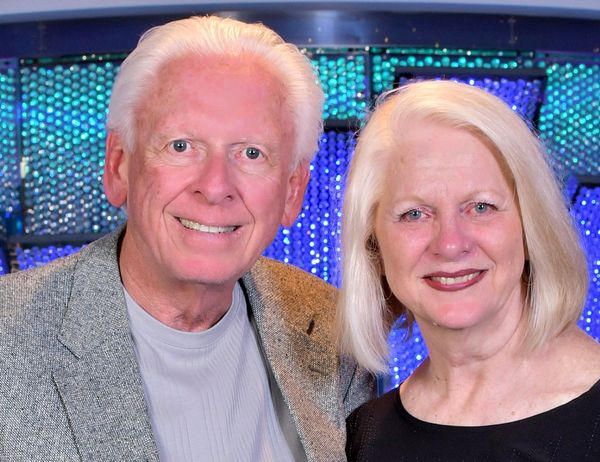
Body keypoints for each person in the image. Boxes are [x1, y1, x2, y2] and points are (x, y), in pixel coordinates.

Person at [0, 16, 374, 462]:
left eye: (251, 153)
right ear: (118, 166)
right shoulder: (11, 335)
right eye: (181, 146)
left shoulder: (335, 331)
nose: (215, 186)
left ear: (293, 191)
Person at [338, 80, 600, 460]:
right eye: (414, 214)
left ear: (532, 225)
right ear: (372, 243)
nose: (450, 243)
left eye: (480, 207)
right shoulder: (363, 437)